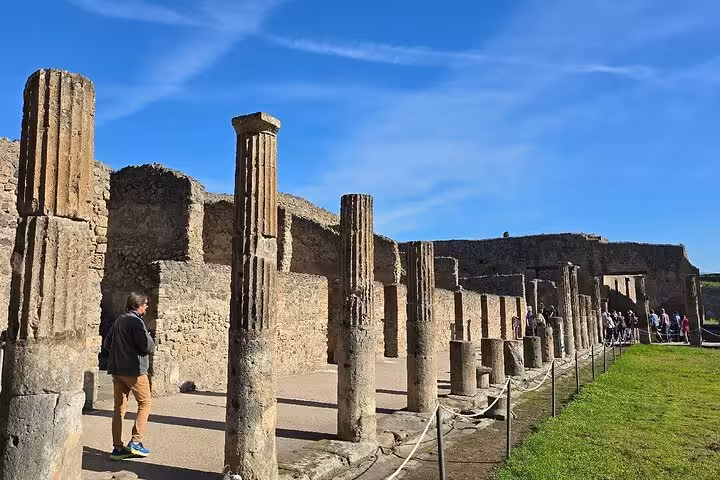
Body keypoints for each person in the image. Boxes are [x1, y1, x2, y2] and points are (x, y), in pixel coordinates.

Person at [104, 292, 155, 460]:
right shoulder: (136, 322)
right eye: (145, 304)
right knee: (145, 403)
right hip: (134, 371)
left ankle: (117, 449)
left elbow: (107, 343)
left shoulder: (119, 320)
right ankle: (136, 442)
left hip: (117, 369)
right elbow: (148, 346)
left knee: (119, 409)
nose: (147, 306)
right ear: (138, 305)